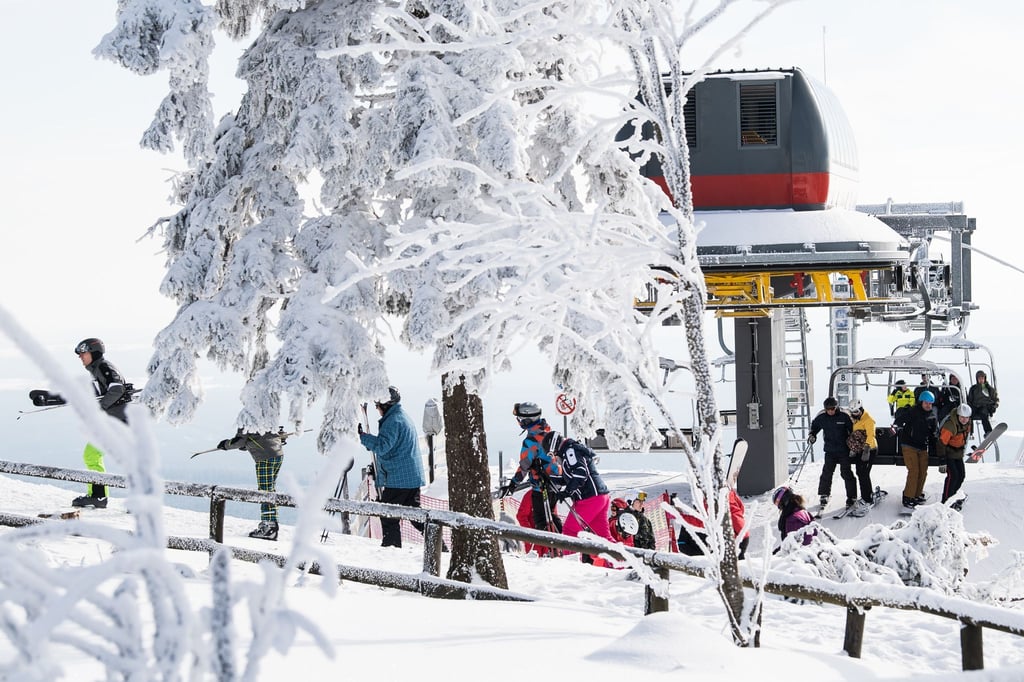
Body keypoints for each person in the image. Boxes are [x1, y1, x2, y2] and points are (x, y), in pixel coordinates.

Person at [63, 338, 133, 508]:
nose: (80, 357)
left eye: (83, 353)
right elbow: (109, 390)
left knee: (92, 454)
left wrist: (98, 409)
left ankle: (99, 496)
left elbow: (117, 388)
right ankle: (101, 496)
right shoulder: (97, 369)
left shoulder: (104, 366)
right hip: (116, 419)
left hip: (116, 420)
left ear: (93, 352)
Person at [358, 386, 427, 548]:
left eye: (377, 405)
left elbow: (382, 446)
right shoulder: (401, 416)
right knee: (415, 515)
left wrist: (364, 438)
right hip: (410, 477)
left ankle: (391, 549)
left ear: (385, 404)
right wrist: (369, 441)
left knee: (388, 515)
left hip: (399, 479)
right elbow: (389, 445)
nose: (377, 409)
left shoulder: (393, 421)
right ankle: (437, 542)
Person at [543, 431, 613, 550]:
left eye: (551, 453)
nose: (553, 457)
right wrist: (548, 477)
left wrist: (567, 492)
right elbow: (569, 478)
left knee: (570, 532)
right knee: (602, 537)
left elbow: (580, 473)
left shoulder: (570, 452)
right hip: (599, 497)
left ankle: (572, 565)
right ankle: (623, 563)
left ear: (554, 445)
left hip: (589, 497)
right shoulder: (570, 452)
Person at [500, 402, 562, 535]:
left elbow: (524, 466)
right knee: (550, 516)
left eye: (521, 420)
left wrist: (512, 485)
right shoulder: (548, 433)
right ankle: (560, 546)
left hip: (541, 485)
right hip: (556, 482)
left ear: (528, 420)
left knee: (541, 520)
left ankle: (557, 547)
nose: (520, 423)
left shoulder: (531, 441)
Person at [217, 429, 287, 540]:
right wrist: (249, 444)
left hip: (264, 456)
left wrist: (225, 445)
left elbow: (239, 441)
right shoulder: (265, 413)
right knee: (270, 490)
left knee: (265, 492)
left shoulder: (247, 416)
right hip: (277, 454)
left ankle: (269, 527)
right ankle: (271, 524)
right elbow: (272, 434)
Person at [893, 389, 939, 510]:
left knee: (923, 471)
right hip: (909, 445)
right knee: (914, 470)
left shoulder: (932, 417)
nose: (928, 405)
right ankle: (908, 496)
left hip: (922, 447)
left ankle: (917, 494)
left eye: (930, 403)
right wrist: (897, 424)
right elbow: (899, 420)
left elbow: (933, 434)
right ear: (921, 402)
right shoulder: (913, 412)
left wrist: (935, 450)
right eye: (926, 403)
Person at [808, 397, 856, 510]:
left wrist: (853, 446)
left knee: (846, 473)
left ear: (836, 406)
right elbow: (814, 427)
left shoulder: (844, 416)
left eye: (832, 408)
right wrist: (812, 435)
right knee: (827, 473)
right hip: (830, 450)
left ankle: (852, 496)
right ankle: (824, 494)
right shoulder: (822, 416)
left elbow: (853, 430)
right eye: (828, 409)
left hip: (844, 450)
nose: (830, 411)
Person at [939, 404, 974, 510]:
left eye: (967, 417)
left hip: (957, 453)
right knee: (953, 476)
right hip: (948, 453)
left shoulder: (968, 424)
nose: (964, 420)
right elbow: (941, 443)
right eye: (962, 417)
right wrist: (942, 461)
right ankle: (946, 501)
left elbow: (965, 435)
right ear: (958, 416)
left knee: (961, 475)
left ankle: (954, 496)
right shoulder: (950, 426)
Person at [847, 399, 877, 514]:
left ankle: (867, 498)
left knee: (863, 473)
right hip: (860, 450)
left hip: (870, 449)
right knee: (860, 472)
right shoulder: (855, 419)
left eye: (855, 411)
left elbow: (871, 435)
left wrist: (867, 449)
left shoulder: (868, 419)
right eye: (852, 412)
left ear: (860, 409)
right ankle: (866, 495)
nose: (854, 414)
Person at [967, 370, 999, 436]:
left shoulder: (989, 389)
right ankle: (969, 432)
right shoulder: (973, 389)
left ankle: (988, 431)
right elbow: (970, 400)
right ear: (977, 379)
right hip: (975, 406)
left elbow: (995, 399)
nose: (981, 380)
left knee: (983, 414)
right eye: (979, 378)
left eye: (982, 378)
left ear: (985, 378)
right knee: (969, 415)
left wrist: (995, 405)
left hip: (985, 406)